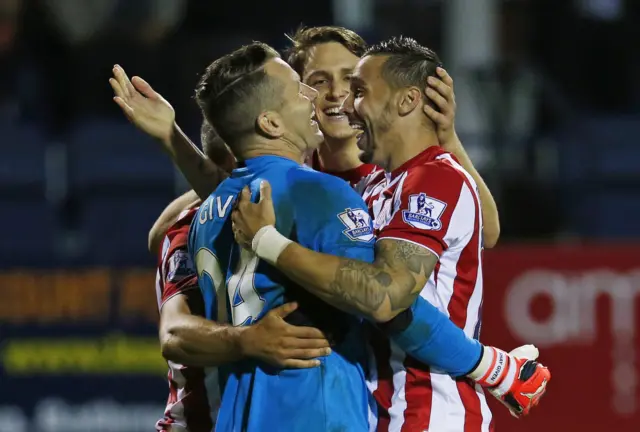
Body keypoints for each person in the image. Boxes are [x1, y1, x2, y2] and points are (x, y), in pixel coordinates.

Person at [230, 37, 551, 431]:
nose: (345, 102)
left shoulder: (434, 179)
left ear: (406, 101)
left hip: (429, 414)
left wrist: (267, 242)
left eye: (358, 90)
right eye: (318, 82)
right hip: (379, 410)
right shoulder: (374, 186)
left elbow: (385, 297)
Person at [285, 26, 500, 248]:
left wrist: (448, 139)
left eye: (350, 80)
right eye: (320, 81)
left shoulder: (399, 169)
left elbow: (487, 233)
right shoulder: (289, 173)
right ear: (302, 92)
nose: (337, 93)